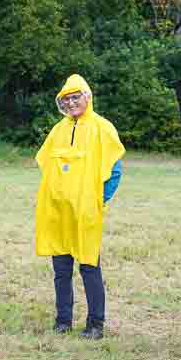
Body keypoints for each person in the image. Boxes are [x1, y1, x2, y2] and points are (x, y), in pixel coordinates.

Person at [34, 75, 126, 341]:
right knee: (61, 269)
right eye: (66, 99)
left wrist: (98, 201)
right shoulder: (58, 130)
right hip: (58, 213)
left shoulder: (102, 128)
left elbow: (115, 171)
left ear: (87, 97)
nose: (71, 103)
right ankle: (63, 321)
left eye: (76, 97)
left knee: (89, 266)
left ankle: (95, 323)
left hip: (86, 213)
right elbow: (47, 166)